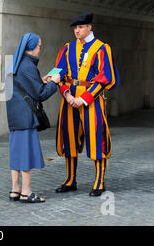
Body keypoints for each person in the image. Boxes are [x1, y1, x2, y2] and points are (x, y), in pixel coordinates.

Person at [54, 12, 119, 196]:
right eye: (75, 27)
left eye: (81, 27)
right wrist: (66, 94)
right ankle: (70, 179)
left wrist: (83, 99)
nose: (77, 30)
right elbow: (58, 72)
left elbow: (106, 78)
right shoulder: (67, 48)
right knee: (69, 138)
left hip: (91, 101)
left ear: (90, 27)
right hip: (69, 99)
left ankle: (99, 181)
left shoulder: (102, 48)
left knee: (96, 137)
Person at [5, 33, 61, 203]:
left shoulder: (14, 63)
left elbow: (25, 87)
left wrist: (42, 80)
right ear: (32, 47)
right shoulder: (28, 66)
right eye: (39, 46)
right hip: (26, 117)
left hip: (14, 116)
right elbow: (40, 94)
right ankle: (26, 192)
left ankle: (15, 190)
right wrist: (54, 83)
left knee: (16, 154)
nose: (40, 48)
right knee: (26, 154)